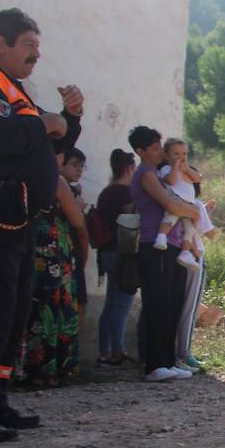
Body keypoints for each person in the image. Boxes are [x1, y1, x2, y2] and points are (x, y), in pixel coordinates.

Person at [0, 7, 84, 443]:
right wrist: (46, 122)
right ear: (0, 44)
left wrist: (70, 116)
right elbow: (3, 138)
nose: (36, 55)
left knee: (11, 315)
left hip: (16, 219)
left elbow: (54, 143)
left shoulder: (14, 91)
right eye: (28, 45)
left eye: (38, 47)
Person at [128, 126, 198, 383]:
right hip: (153, 243)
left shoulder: (160, 173)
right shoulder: (146, 174)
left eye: (160, 145)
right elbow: (169, 203)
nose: (160, 151)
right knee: (157, 303)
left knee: (171, 303)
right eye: (154, 147)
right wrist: (194, 212)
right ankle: (154, 363)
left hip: (173, 243)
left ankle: (168, 360)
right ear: (141, 151)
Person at [18, 142, 88, 388]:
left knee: (32, 308)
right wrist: (83, 252)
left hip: (26, 247)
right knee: (56, 308)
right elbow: (77, 221)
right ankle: (54, 370)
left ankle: (27, 369)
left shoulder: (17, 174)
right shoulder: (54, 180)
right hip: (54, 251)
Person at [161, 138, 217, 372]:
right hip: (194, 257)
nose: (182, 159)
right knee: (188, 308)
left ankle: (176, 353)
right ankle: (184, 352)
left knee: (178, 307)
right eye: (177, 154)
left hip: (178, 251)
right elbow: (211, 234)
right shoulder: (194, 204)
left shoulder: (183, 197)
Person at [94, 149, 138, 368]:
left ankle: (105, 352)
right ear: (130, 167)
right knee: (121, 305)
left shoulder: (106, 192)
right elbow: (134, 218)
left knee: (110, 305)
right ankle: (118, 352)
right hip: (122, 254)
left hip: (105, 253)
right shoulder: (125, 193)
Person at [151, 137, 212, 272]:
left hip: (189, 204)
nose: (181, 157)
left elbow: (198, 178)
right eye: (176, 154)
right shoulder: (167, 169)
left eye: (184, 154)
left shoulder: (187, 170)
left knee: (190, 229)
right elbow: (171, 181)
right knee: (170, 218)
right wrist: (174, 168)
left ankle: (185, 252)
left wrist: (186, 169)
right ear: (166, 156)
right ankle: (161, 237)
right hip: (176, 200)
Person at [61, 146, 89, 314]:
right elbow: (79, 226)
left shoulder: (74, 190)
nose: (79, 170)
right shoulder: (65, 190)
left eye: (82, 166)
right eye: (75, 165)